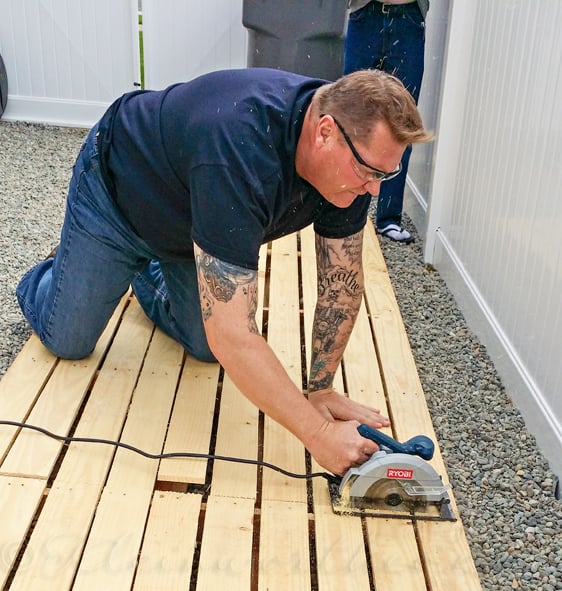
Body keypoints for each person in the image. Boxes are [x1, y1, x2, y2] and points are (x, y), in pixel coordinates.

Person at [16, 68, 430, 476]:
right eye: (371, 172)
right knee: (68, 339)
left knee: (203, 347)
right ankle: (63, 266)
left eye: (385, 174)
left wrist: (319, 389)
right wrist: (319, 434)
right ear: (324, 132)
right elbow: (234, 336)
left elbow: (340, 283)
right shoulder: (240, 149)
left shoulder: (354, 165)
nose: (375, 189)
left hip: (191, 229)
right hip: (116, 196)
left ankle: (137, 271)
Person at [344, 1, 429, 243]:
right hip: (365, 14)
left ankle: (389, 217)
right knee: (351, 115)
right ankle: (345, 210)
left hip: (408, 19)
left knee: (403, 123)